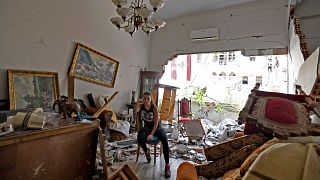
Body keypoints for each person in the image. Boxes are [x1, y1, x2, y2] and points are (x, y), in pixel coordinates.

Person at [134, 91, 171, 178]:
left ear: (150, 100)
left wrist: (151, 134)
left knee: (165, 140)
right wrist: (137, 102)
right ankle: (147, 151)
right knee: (139, 137)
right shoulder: (141, 106)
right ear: (142, 99)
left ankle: (167, 165)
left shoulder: (154, 108)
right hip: (147, 127)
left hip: (157, 127)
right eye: (144, 98)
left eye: (148, 99)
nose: (146, 100)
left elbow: (155, 124)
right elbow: (135, 111)